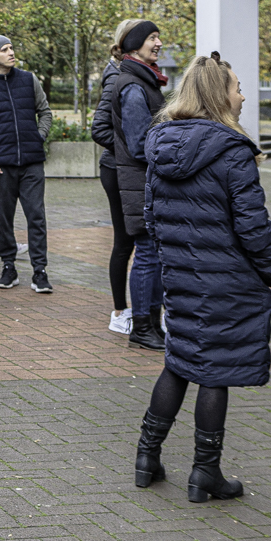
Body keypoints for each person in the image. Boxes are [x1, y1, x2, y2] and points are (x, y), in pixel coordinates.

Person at [135, 52, 271, 504]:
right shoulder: (233, 151)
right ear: (221, 96)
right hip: (228, 281)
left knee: (179, 362)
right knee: (214, 372)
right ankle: (205, 473)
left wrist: (174, 261)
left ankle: (147, 459)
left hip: (181, 275)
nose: (242, 96)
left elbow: (151, 219)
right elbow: (253, 226)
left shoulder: (159, 143)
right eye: (237, 88)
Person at [0, 36, 54, 293]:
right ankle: (9, 266)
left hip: (31, 164)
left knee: (36, 217)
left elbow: (45, 112)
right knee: (3, 218)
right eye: (5, 50)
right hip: (1, 167)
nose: (11, 52)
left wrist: (37, 137)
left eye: (11, 48)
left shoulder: (29, 80)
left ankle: (40, 271)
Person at [110, 20, 169, 351]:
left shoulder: (145, 80)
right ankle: (142, 326)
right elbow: (139, 143)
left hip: (145, 182)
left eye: (158, 37)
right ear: (134, 45)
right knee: (147, 254)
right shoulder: (133, 85)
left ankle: (153, 325)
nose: (158, 43)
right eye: (151, 38)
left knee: (155, 255)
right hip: (140, 182)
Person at [91, 52, 133, 335]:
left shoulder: (138, 76)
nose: (158, 42)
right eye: (150, 38)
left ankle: (141, 309)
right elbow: (99, 129)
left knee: (135, 241)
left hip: (128, 169)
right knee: (125, 241)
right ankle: (120, 311)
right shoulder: (116, 78)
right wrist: (133, 152)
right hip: (118, 169)